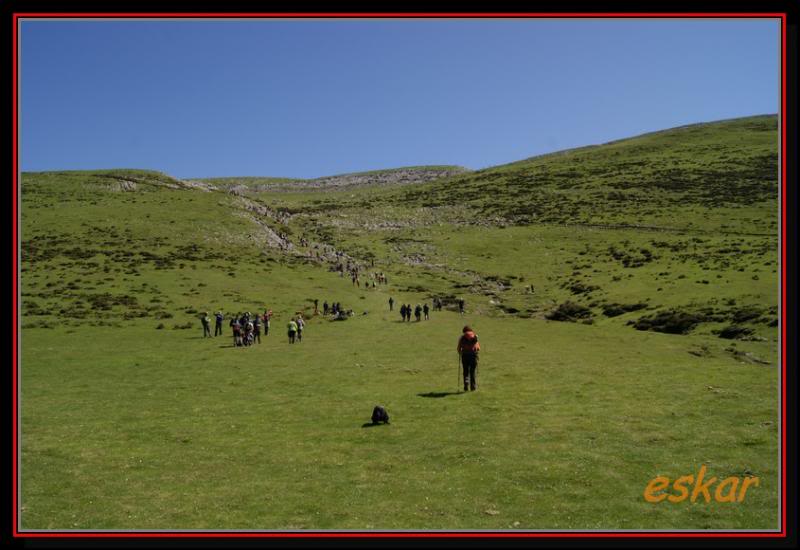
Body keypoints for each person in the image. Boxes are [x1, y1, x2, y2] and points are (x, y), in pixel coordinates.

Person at [457, 325, 481, 391]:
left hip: (465, 356)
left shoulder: (462, 338)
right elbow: (478, 348)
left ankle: (466, 385)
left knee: (465, 372)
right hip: (473, 356)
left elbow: (458, 348)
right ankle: (473, 387)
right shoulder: (474, 337)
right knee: (472, 372)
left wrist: (461, 353)